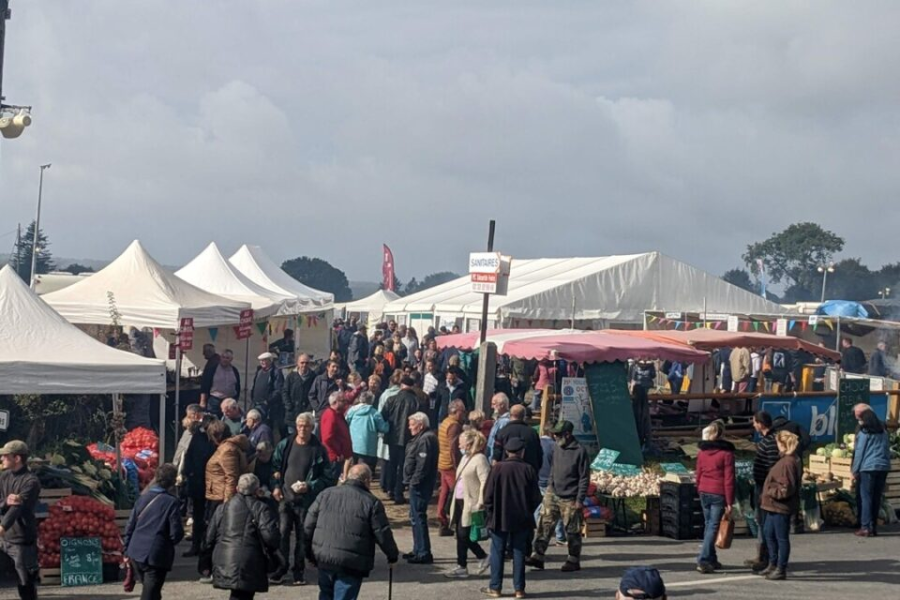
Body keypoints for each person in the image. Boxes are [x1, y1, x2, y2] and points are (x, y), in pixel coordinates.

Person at [304, 464, 399, 600]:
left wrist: (309, 554)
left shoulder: (325, 494)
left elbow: (308, 526)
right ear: (367, 481)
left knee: (325, 595)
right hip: (351, 563)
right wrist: (392, 556)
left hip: (324, 558)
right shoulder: (371, 502)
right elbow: (382, 533)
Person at [270, 412, 336, 586]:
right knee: (283, 533)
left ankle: (298, 571)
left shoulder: (318, 449)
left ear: (312, 427)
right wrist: (276, 486)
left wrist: (310, 485)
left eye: (305, 425)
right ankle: (281, 568)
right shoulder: (286, 444)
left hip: (306, 501)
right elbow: (275, 467)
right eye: (299, 425)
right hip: (285, 497)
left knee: (302, 535)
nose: (302, 429)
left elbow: (328, 478)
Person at [482, 438, 542, 599]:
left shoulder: (497, 468)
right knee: (519, 552)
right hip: (522, 518)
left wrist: (491, 512)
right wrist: (528, 510)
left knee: (497, 552)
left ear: (507, 451)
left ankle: (495, 587)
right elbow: (536, 497)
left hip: (499, 517)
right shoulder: (528, 469)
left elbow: (487, 495)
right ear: (522, 452)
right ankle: (519, 589)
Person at [527, 420, 590, 572]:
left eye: (558, 434)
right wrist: (550, 484)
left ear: (567, 435)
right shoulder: (557, 447)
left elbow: (584, 477)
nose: (555, 437)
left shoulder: (579, 451)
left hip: (571, 496)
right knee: (544, 523)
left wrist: (579, 499)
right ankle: (538, 555)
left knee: (572, 529)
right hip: (553, 491)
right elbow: (553, 467)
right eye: (554, 434)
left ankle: (573, 559)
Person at [206, 473, 280, 600]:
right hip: (249, 560)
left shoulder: (223, 508)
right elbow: (271, 538)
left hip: (223, 558)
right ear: (257, 490)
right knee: (243, 594)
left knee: (237, 594)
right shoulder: (261, 508)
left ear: (237, 488)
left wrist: (206, 560)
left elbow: (209, 537)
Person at [124, 464, 184, 600]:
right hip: (156, 555)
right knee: (151, 592)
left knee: (152, 590)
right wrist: (168, 542)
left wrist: (126, 550)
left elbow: (130, 525)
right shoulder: (171, 502)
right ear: (172, 482)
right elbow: (176, 532)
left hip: (136, 551)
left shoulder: (142, 498)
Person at [200, 420, 249, 581]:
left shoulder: (227, 449)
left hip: (221, 498)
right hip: (217, 494)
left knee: (214, 534)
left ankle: (211, 568)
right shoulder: (226, 447)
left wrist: (228, 503)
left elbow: (231, 477)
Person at [444, 429, 491, 579]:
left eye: (461, 443)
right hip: (458, 500)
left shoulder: (480, 459)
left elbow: (485, 481)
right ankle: (463, 565)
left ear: (470, 443)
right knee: (460, 534)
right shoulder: (465, 458)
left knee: (464, 534)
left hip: (470, 502)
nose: (459, 446)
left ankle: (478, 558)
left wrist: (481, 501)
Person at [0, 440, 40, 600]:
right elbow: (3, 501)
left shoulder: (31, 481)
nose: (2, 458)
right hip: (3, 538)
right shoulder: (3, 477)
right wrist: (5, 502)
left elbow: (18, 509)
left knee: (25, 582)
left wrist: (2, 527)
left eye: (5, 456)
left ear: (17, 458)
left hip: (21, 539)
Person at [759, 431, 802, 580]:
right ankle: (773, 563)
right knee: (769, 534)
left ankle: (780, 568)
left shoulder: (787, 463)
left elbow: (785, 488)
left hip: (779, 506)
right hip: (772, 506)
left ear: (783, 444)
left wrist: (769, 490)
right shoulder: (787, 460)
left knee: (781, 538)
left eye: (777, 443)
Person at [695, 421, 735, 574]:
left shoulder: (702, 453)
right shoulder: (726, 454)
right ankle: (703, 559)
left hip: (704, 490)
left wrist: (699, 488)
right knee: (713, 526)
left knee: (708, 525)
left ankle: (711, 557)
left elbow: (698, 473)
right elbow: (729, 479)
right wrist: (730, 501)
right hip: (718, 492)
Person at [403, 412, 439, 564]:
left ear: (421, 425)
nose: (409, 427)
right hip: (415, 483)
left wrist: (414, 481)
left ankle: (423, 552)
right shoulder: (421, 438)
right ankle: (418, 548)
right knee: (414, 516)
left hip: (420, 485)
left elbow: (423, 465)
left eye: (412, 424)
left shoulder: (426, 439)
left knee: (418, 516)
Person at [747, 411, 779, 571]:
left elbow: (772, 467)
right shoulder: (766, 440)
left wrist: (767, 486)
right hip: (761, 485)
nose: (753, 425)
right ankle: (761, 554)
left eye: (754, 422)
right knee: (760, 520)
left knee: (764, 521)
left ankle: (765, 556)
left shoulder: (771, 441)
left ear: (760, 423)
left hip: (765, 488)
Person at [851, 407, 891, 537]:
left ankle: (865, 527)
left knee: (866, 497)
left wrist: (854, 470)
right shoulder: (883, 432)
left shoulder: (864, 433)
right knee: (876, 497)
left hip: (867, 468)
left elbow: (859, 453)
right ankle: (873, 526)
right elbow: (886, 450)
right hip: (883, 467)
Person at [381, 375, 421, 504]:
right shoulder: (416, 401)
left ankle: (389, 489)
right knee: (404, 466)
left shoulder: (392, 399)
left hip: (393, 436)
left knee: (392, 464)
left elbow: (383, 416)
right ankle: (399, 492)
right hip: (410, 438)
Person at [181, 413, 216, 558]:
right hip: (200, 482)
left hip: (205, 482)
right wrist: (187, 473)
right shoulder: (204, 439)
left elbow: (189, 456)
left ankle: (202, 545)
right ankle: (198, 544)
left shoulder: (211, 439)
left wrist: (188, 473)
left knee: (204, 515)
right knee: (200, 515)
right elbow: (189, 456)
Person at [437, 399, 466, 537]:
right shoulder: (454, 426)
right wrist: (458, 466)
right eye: (462, 411)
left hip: (442, 462)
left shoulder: (445, 422)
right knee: (458, 494)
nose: (464, 414)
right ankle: (457, 522)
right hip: (450, 465)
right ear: (456, 411)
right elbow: (454, 449)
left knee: (444, 493)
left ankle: (441, 518)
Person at [536, 426, 566, 545]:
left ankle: (540, 530)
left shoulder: (536, 443)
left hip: (537, 478)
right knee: (555, 509)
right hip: (550, 481)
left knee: (538, 508)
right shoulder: (554, 446)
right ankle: (560, 537)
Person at [345, 390, 390, 470]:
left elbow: (346, 422)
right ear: (372, 400)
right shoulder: (375, 413)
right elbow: (384, 428)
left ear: (360, 399)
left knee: (354, 466)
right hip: (369, 446)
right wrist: (389, 422)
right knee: (364, 468)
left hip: (353, 443)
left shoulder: (352, 410)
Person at [493, 404, 543, 474]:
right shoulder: (533, 433)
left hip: (506, 474)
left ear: (510, 415)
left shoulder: (502, 432)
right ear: (524, 416)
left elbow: (496, 454)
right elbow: (539, 456)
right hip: (528, 474)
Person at [320, 391, 353, 480]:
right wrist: (337, 453)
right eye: (342, 401)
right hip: (334, 457)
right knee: (331, 481)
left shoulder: (338, 414)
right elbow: (327, 438)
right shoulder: (331, 415)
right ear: (335, 403)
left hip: (338, 456)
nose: (345, 403)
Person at [199, 348, 241, 418]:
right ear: (220, 358)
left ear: (231, 359)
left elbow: (237, 386)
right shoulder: (212, 369)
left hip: (229, 401)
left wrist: (236, 399)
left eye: (227, 358)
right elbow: (204, 385)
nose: (224, 359)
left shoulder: (234, 370)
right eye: (223, 357)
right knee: (213, 422)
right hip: (215, 401)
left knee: (228, 421)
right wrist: (202, 401)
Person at [251, 352, 285, 434]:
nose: (262, 362)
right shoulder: (259, 371)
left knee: (267, 427)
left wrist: (268, 400)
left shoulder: (276, 372)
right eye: (261, 360)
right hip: (256, 404)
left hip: (269, 407)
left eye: (264, 360)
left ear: (270, 361)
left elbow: (278, 390)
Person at [283, 353, 316, 435]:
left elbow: (315, 394)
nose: (304, 365)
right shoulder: (291, 376)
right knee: (292, 437)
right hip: (292, 414)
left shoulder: (313, 377)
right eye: (302, 362)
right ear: (298, 363)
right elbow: (284, 392)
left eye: (306, 363)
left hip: (306, 413)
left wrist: (310, 407)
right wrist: (288, 405)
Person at [486, 393, 511, 463]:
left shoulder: (504, 422)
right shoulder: (499, 420)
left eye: (494, 404)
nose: (491, 407)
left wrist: (495, 458)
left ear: (502, 405)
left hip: (495, 460)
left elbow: (498, 441)